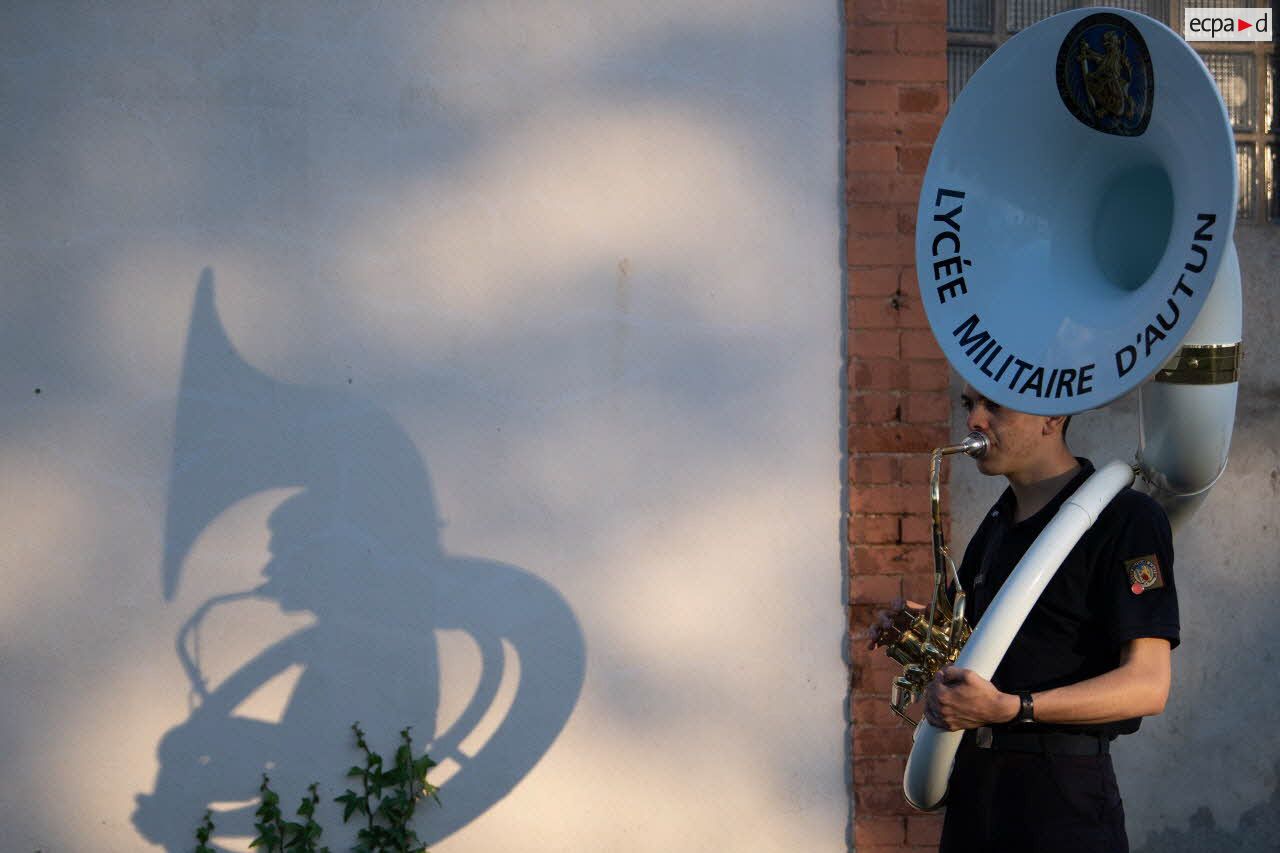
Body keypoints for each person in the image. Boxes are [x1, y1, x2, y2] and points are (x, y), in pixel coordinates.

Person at [869, 383, 1178, 853]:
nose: (974, 420)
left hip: (1061, 798)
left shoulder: (1126, 518)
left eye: (993, 405)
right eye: (969, 405)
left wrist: (1014, 708)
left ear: (1052, 417)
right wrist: (921, 631)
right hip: (977, 792)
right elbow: (983, 648)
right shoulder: (995, 526)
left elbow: (1148, 686)